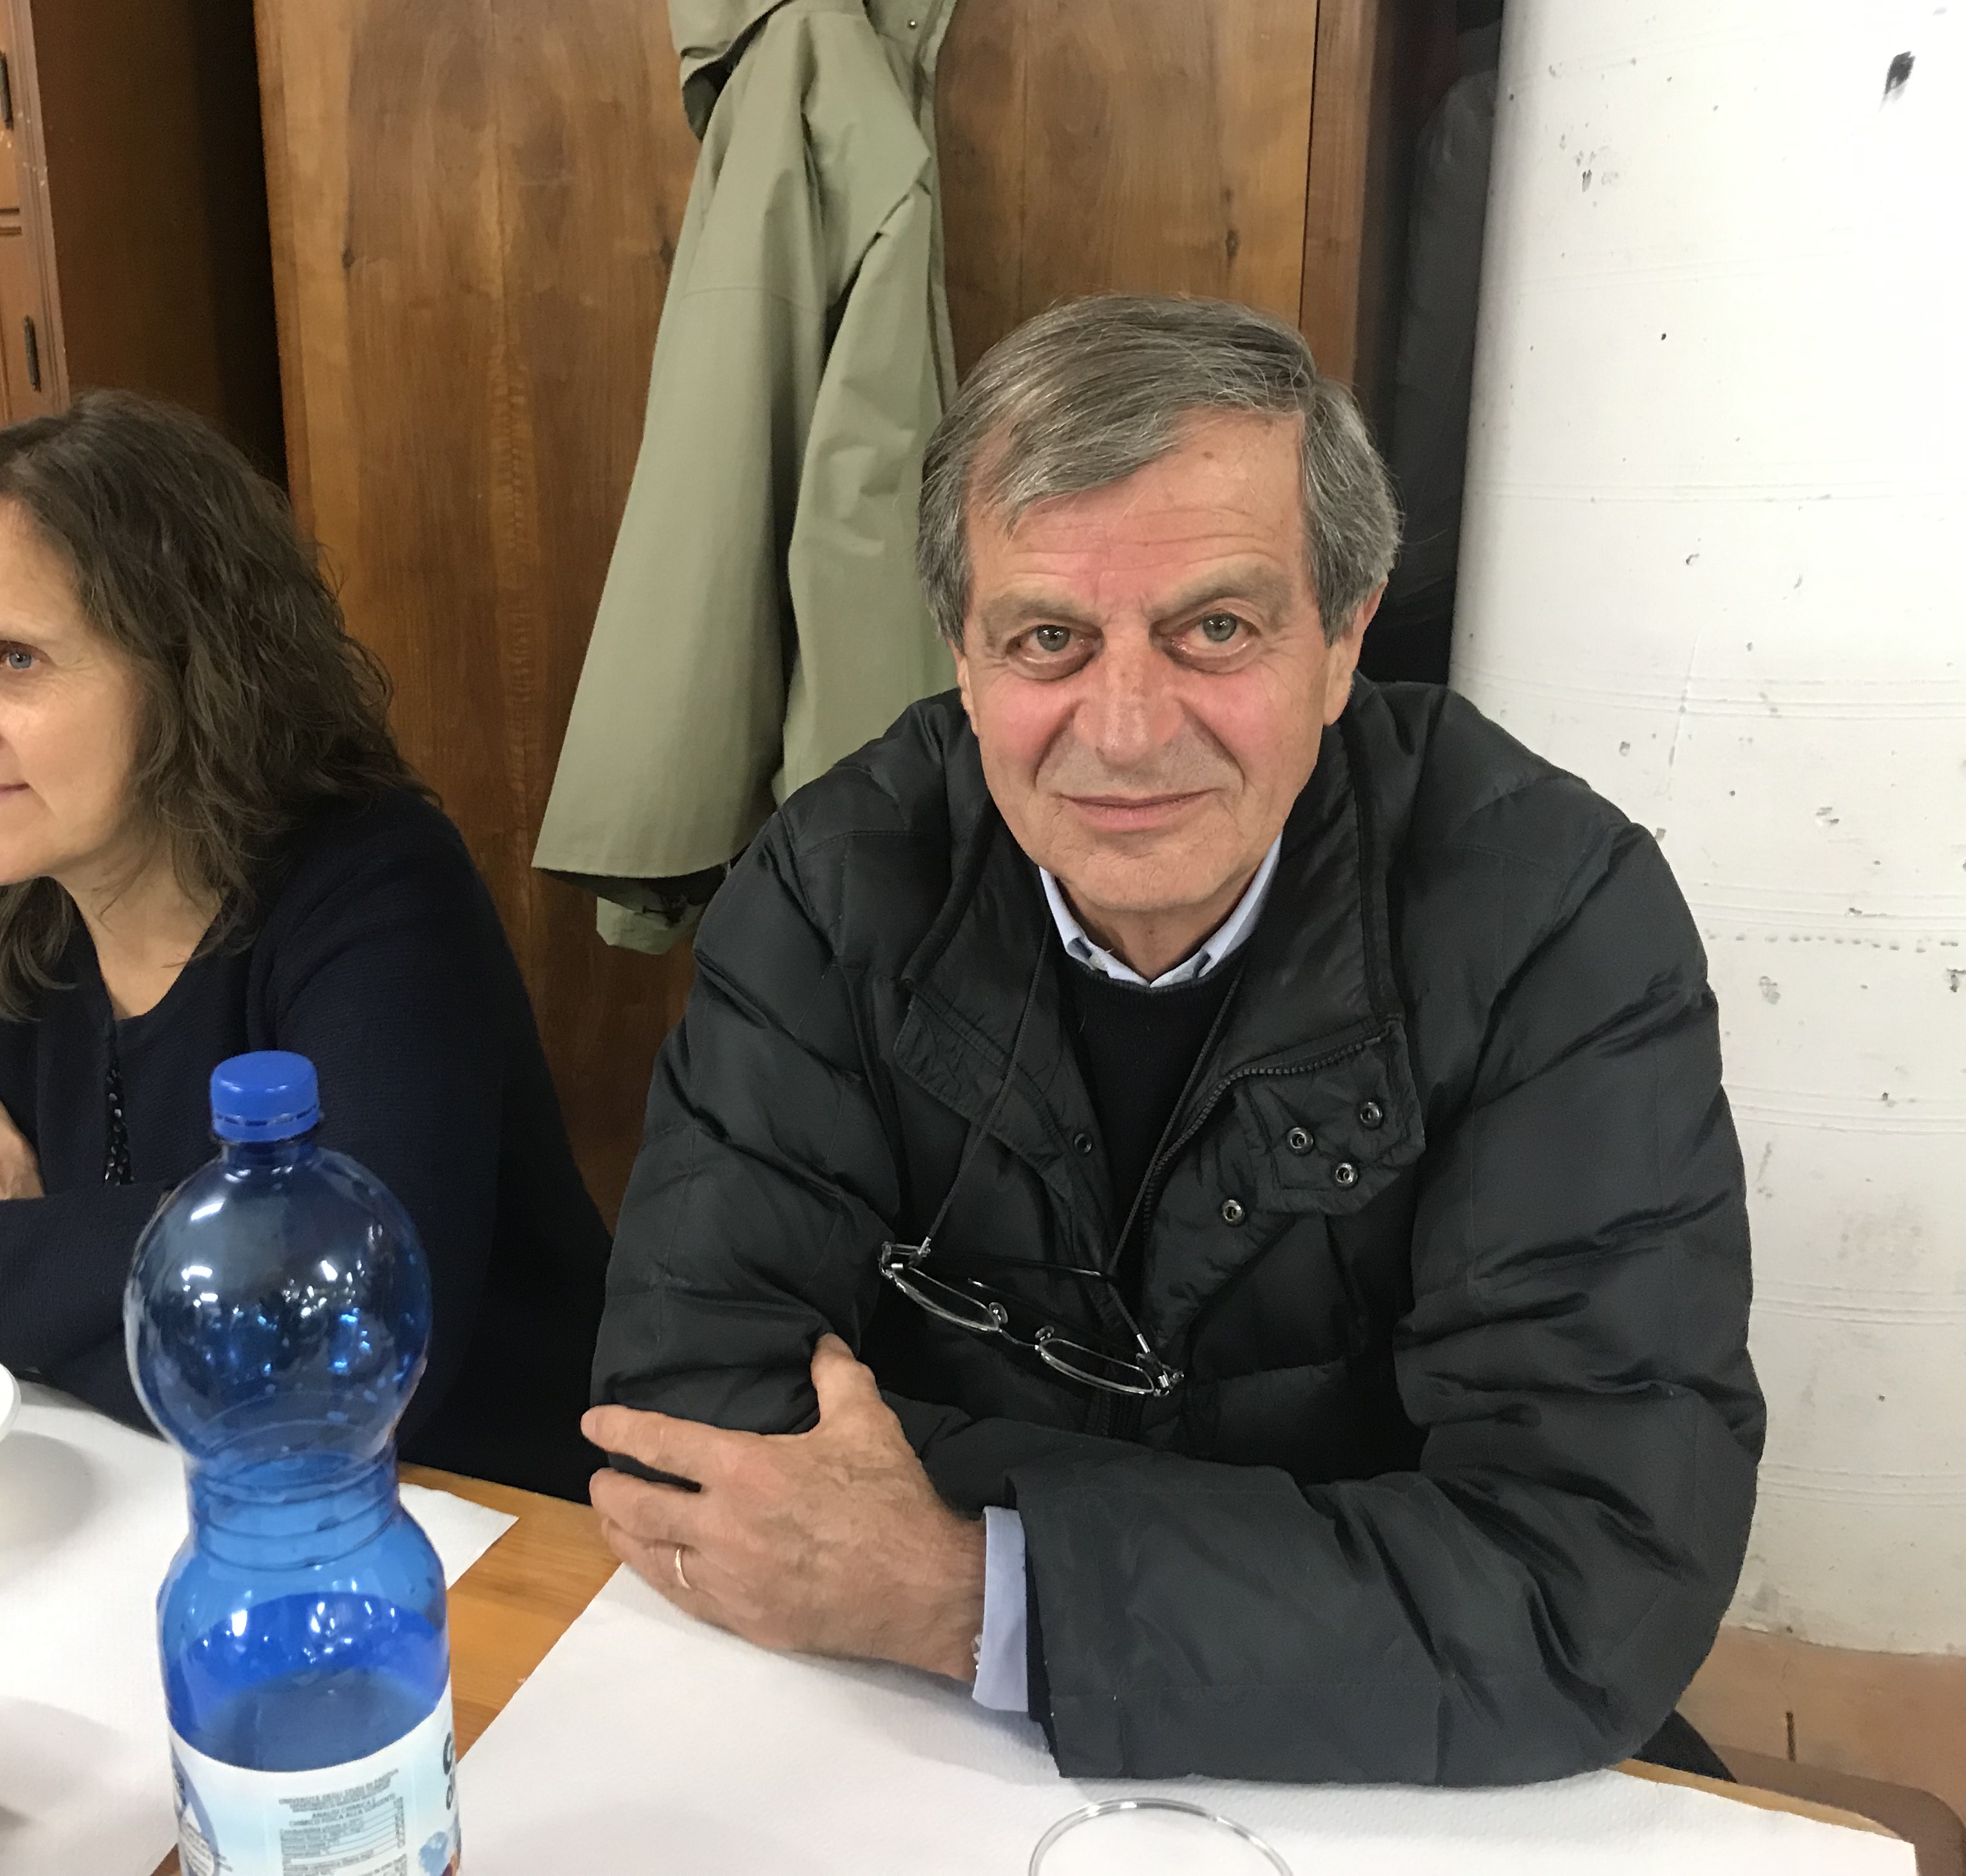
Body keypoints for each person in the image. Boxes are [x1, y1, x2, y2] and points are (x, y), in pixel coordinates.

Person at [584, 294, 1763, 1785]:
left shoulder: (1554, 918)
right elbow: (690, 1426)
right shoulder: (834, 886)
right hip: (940, 1747)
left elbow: (1582, 1586)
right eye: (1049, 638)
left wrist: (967, 1587)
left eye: (1216, 628)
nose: (1129, 729)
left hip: (1390, 1784)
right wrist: (1312, 1567)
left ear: (1342, 638)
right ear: (963, 657)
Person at [0, 392, 611, 1499]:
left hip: (467, 1523)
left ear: (191, 671)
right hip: (123, 1489)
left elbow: (348, 1369)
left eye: (13, 659)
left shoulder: (376, 883)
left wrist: (5, 1246)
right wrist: (203, 1269)